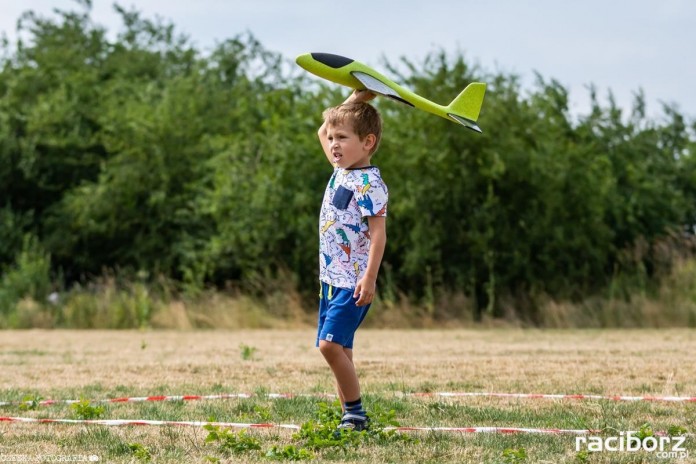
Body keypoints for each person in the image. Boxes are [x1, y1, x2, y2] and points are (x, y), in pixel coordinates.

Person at [316, 89, 388, 432]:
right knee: (341, 349)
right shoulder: (339, 168)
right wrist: (352, 100)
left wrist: (370, 278)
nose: (333, 144)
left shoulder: (370, 184)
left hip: (353, 282)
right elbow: (322, 129)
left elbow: (378, 235)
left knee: (328, 346)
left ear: (368, 142)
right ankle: (348, 413)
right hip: (329, 279)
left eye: (342, 138)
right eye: (332, 139)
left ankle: (356, 414)